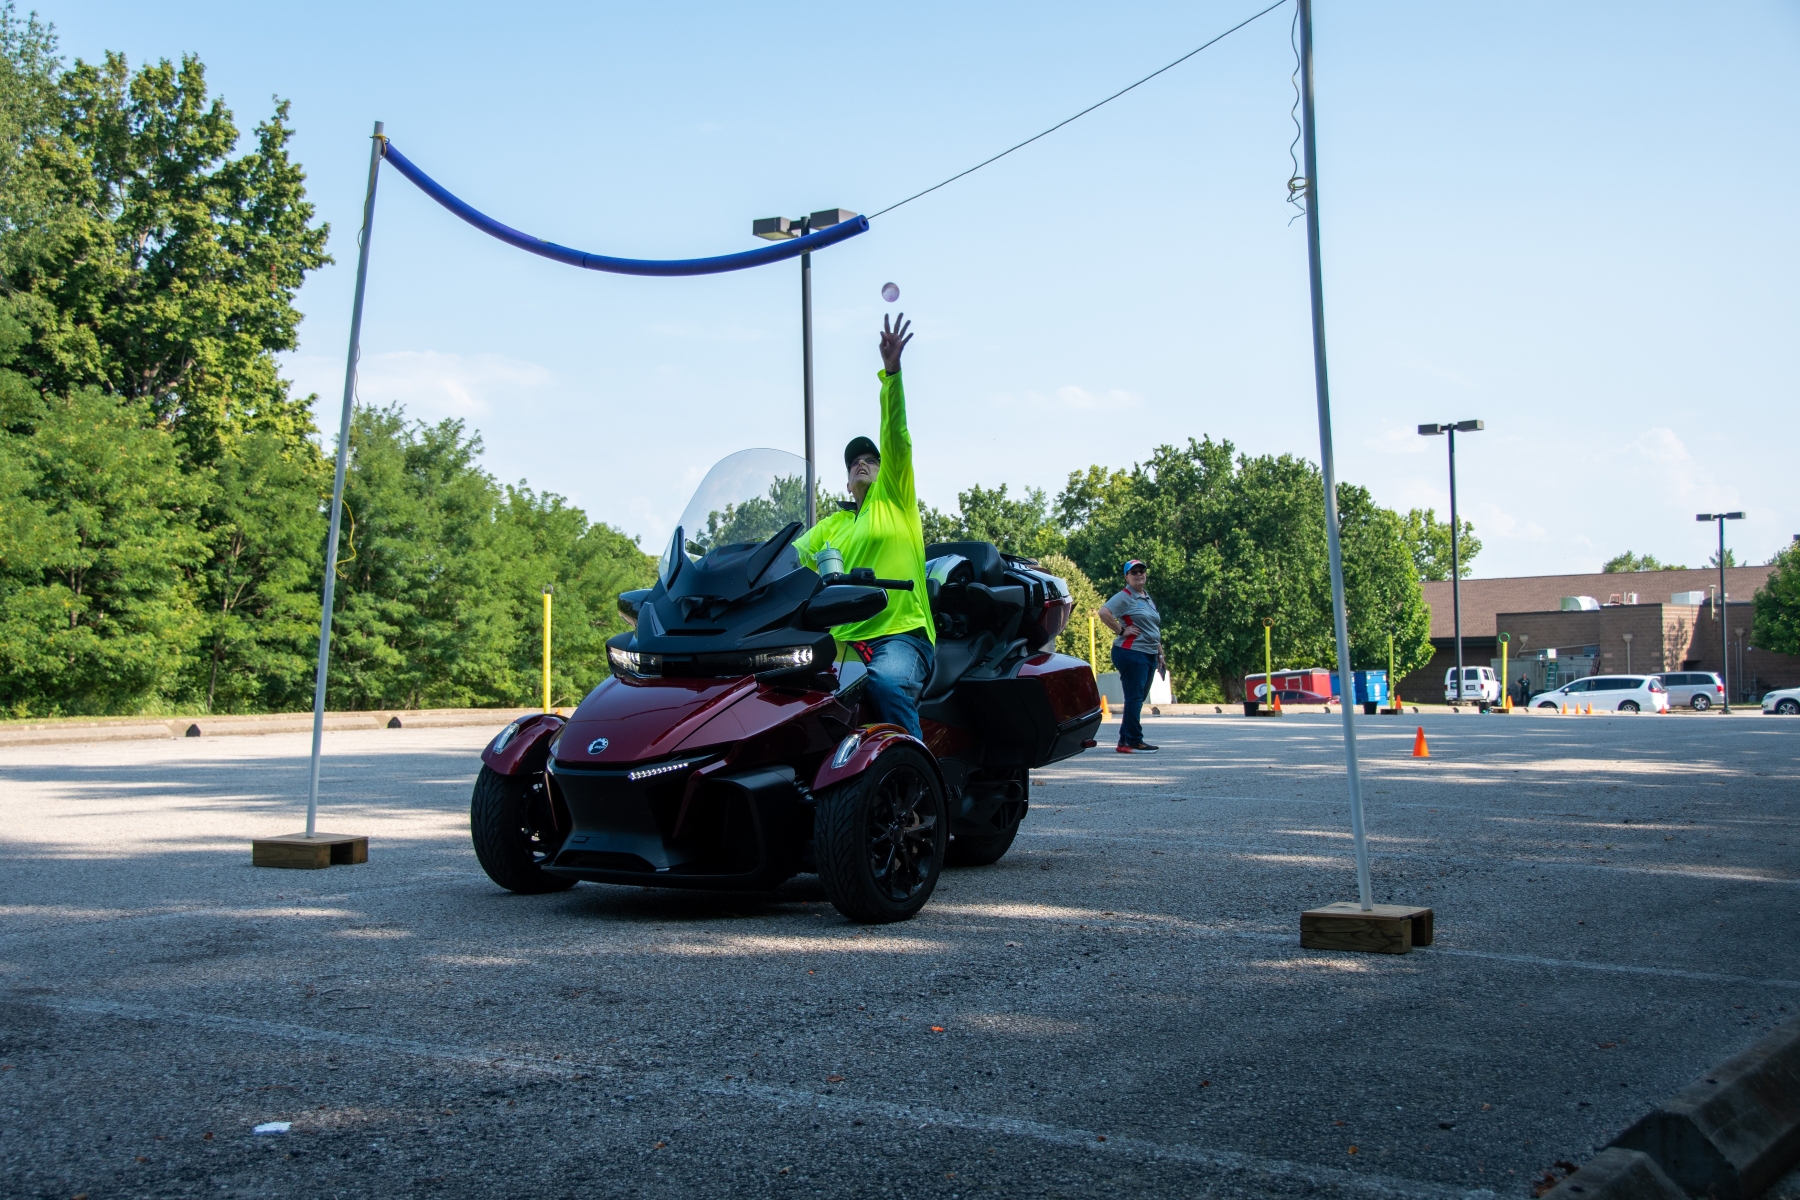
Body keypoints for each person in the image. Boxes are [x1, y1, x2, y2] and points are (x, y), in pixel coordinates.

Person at [794, 314, 935, 739]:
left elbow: (896, 436)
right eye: (854, 461)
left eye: (870, 460)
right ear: (845, 480)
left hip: (899, 635)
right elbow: (787, 559)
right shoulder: (831, 526)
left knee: (886, 683)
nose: (861, 463)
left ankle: (914, 772)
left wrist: (892, 374)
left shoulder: (894, 496)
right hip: (841, 641)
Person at [1099, 559, 1165, 753]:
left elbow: (1152, 628)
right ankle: (1134, 740)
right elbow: (1103, 613)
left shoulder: (1146, 597)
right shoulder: (1124, 596)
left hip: (1149, 653)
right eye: (1133, 572)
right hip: (1131, 652)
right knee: (1134, 697)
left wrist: (1160, 654)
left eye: (1141, 571)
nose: (1139, 574)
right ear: (1126, 577)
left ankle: (1124, 741)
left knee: (1138, 697)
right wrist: (1121, 630)